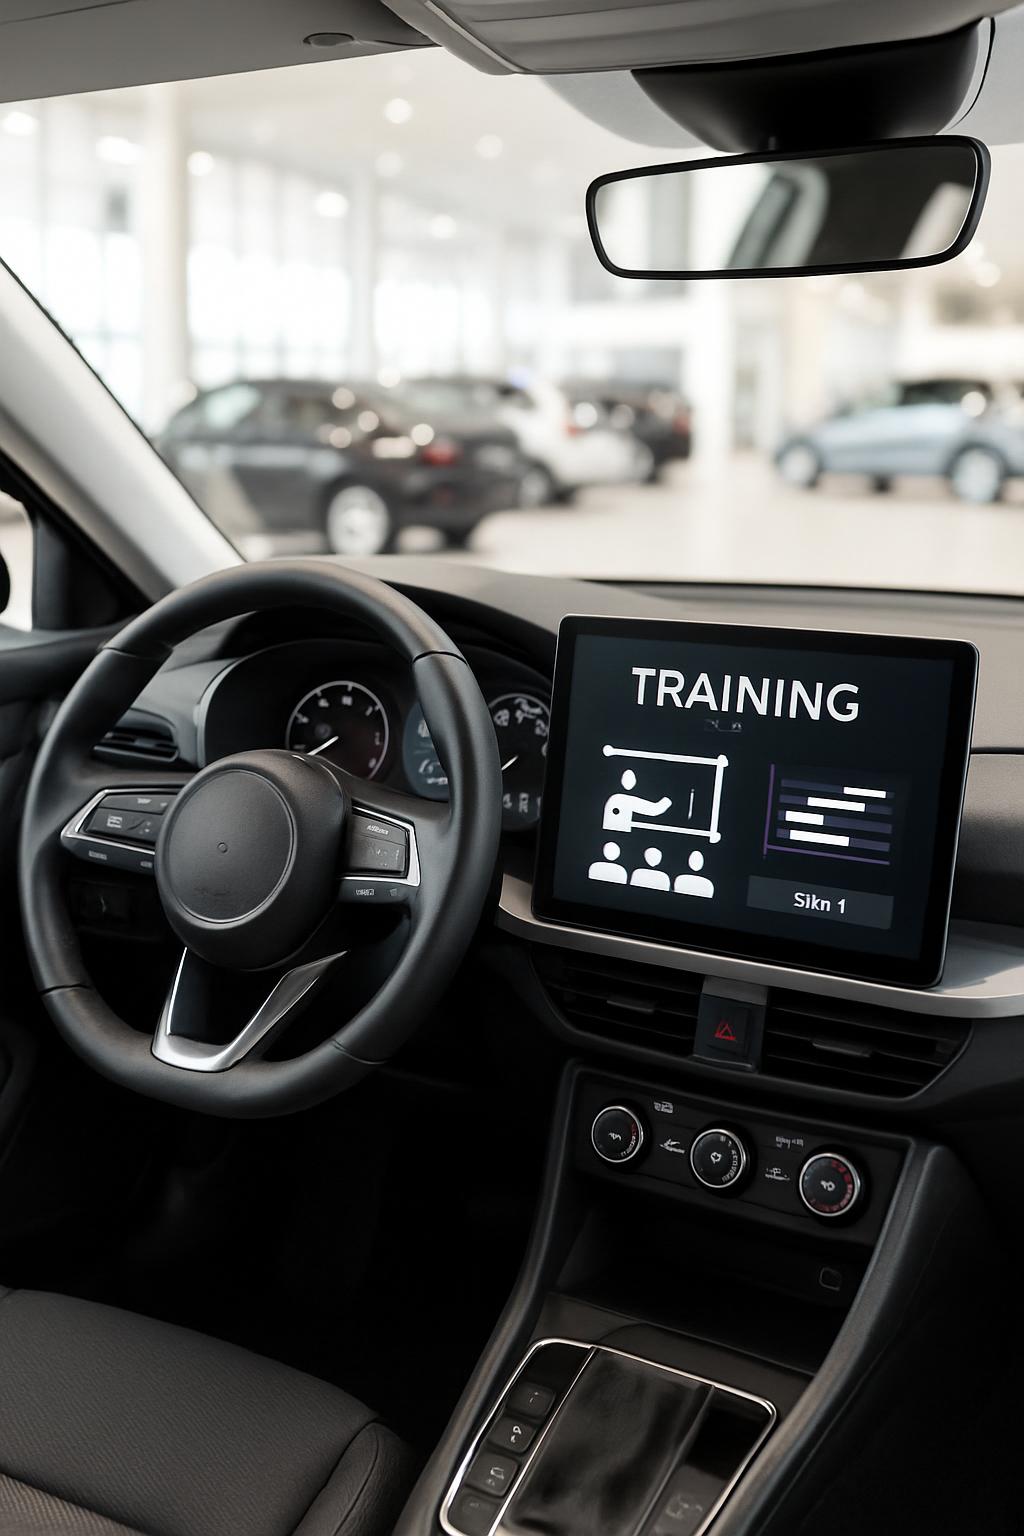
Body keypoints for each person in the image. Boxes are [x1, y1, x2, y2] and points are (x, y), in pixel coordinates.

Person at [602, 769, 672, 834]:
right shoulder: (618, 799)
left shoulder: (618, 798)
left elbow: (655, 809)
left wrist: (666, 802)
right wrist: (666, 802)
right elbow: (654, 809)